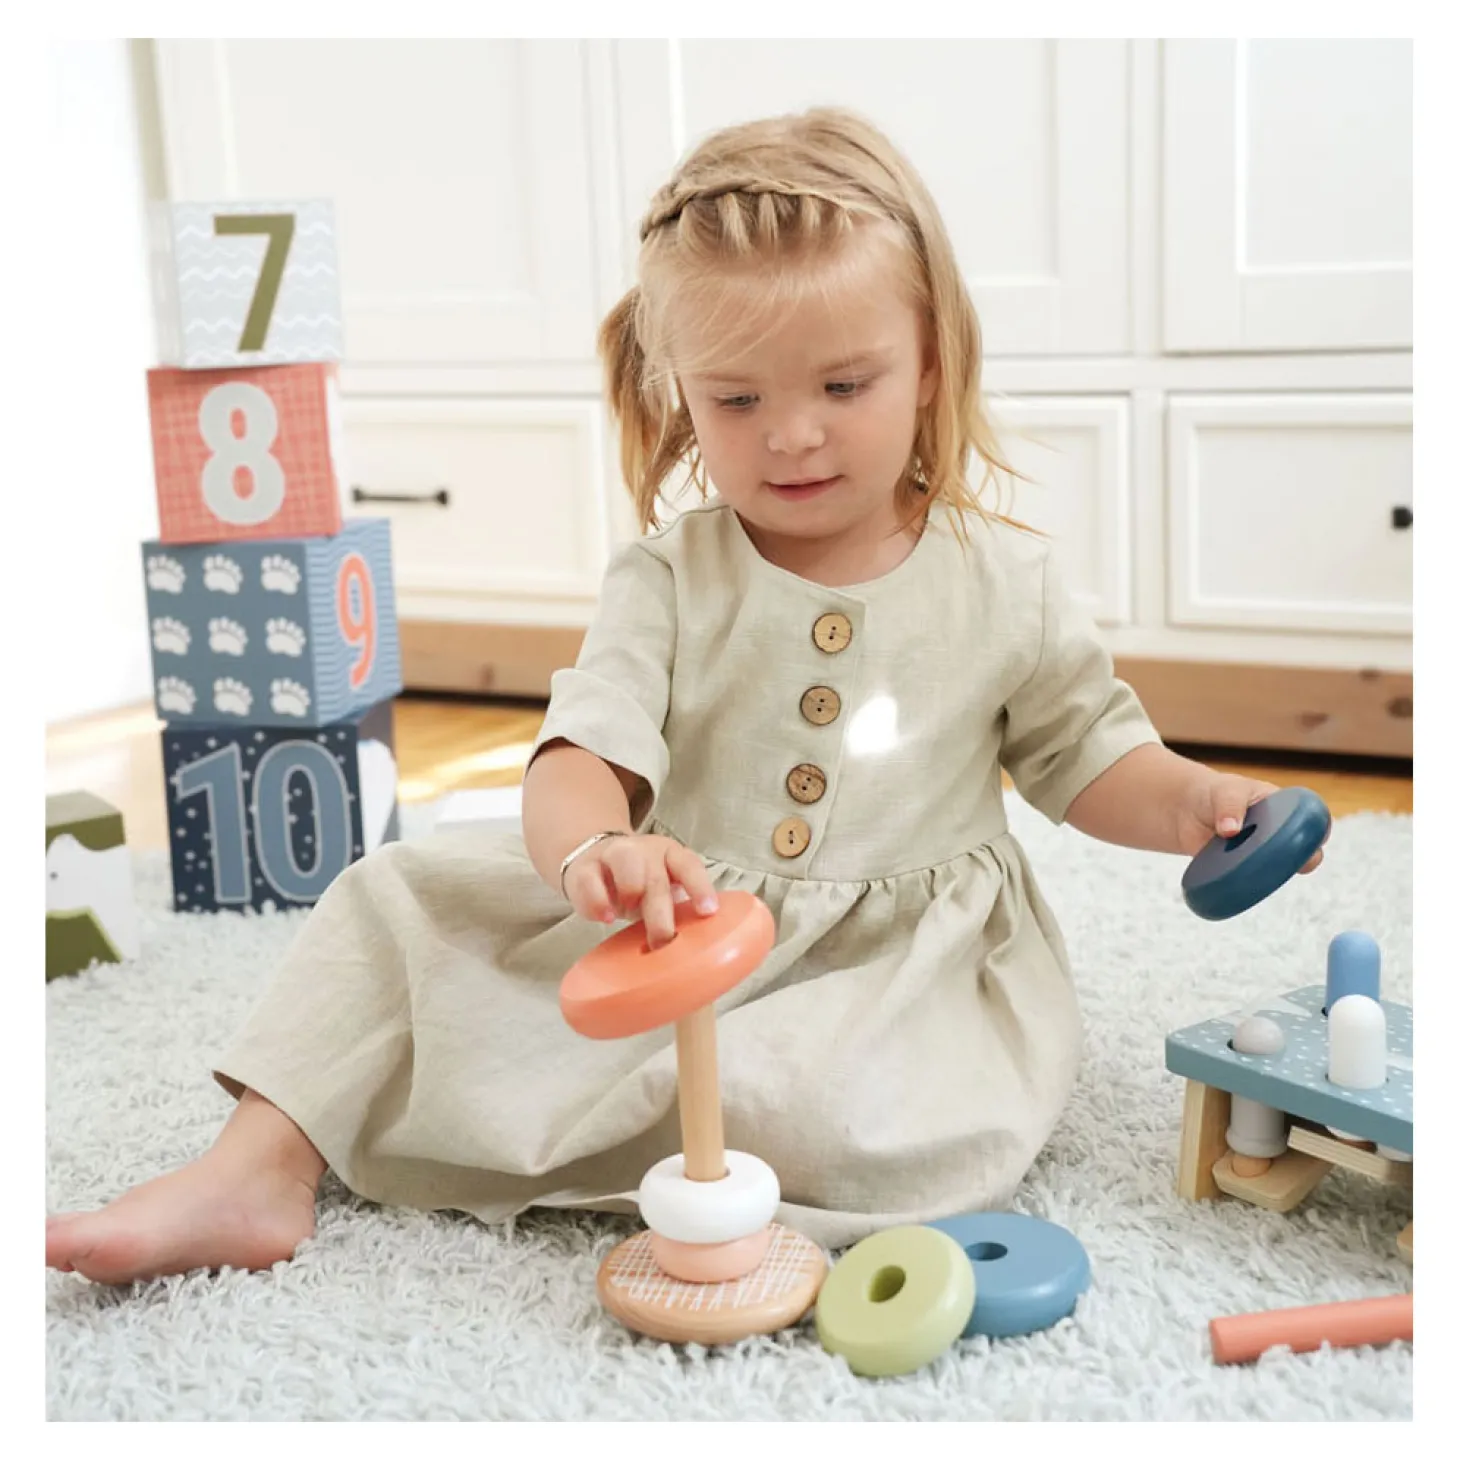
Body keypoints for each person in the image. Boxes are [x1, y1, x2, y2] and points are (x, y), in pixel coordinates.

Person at [47, 106, 1324, 1285]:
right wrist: (592, 850)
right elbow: (578, 755)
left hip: (892, 977)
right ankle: (255, 1166)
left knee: (817, 1103)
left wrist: (1193, 802)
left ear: (931, 362)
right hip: (676, 920)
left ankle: (676, 1140)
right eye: (735, 398)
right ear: (677, 388)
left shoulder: (1006, 581)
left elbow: (1087, 753)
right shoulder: (668, 578)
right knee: (392, 898)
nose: (792, 435)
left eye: (843, 386)